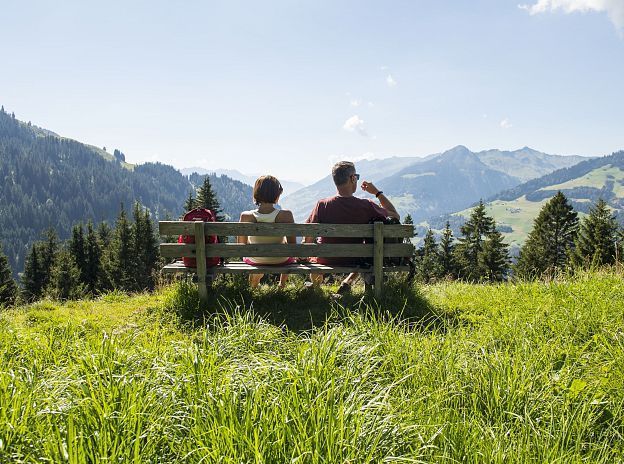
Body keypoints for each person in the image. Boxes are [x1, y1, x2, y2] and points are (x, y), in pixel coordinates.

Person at [303, 161, 400, 293]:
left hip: (326, 259)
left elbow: (307, 237)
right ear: (353, 178)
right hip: (355, 259)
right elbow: (395, 215)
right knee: (364, 252)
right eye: (357, 177)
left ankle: (315, 289)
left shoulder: (322, 205)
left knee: (315, 255)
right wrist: (377, 192)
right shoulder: (366, 206)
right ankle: (346, 282)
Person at [238, 175, 296, 288]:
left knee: (252, 250)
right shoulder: (286, 215)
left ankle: (254, 285)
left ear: (257, 194)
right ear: (276, 195)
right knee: (285, 246)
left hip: (255, 259)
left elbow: (241, 246)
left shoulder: (245, 216)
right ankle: (282, 284)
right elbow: (292, 246)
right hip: (281, 260)